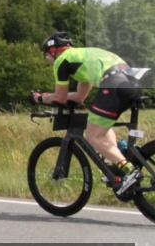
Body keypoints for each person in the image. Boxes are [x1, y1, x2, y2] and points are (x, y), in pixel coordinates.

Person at [32, 32, 145, 195]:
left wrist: (40, 98)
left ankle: (128, 170)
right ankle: (116, 162)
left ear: (53, 51)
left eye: (46, 55)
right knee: (101, 125)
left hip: (113, 84)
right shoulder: (82, 58)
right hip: (132, 83)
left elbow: (61, 98)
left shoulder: (62, 61)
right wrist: (54, 97)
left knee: (93, 136)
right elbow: (79, 97)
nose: (47, 60)